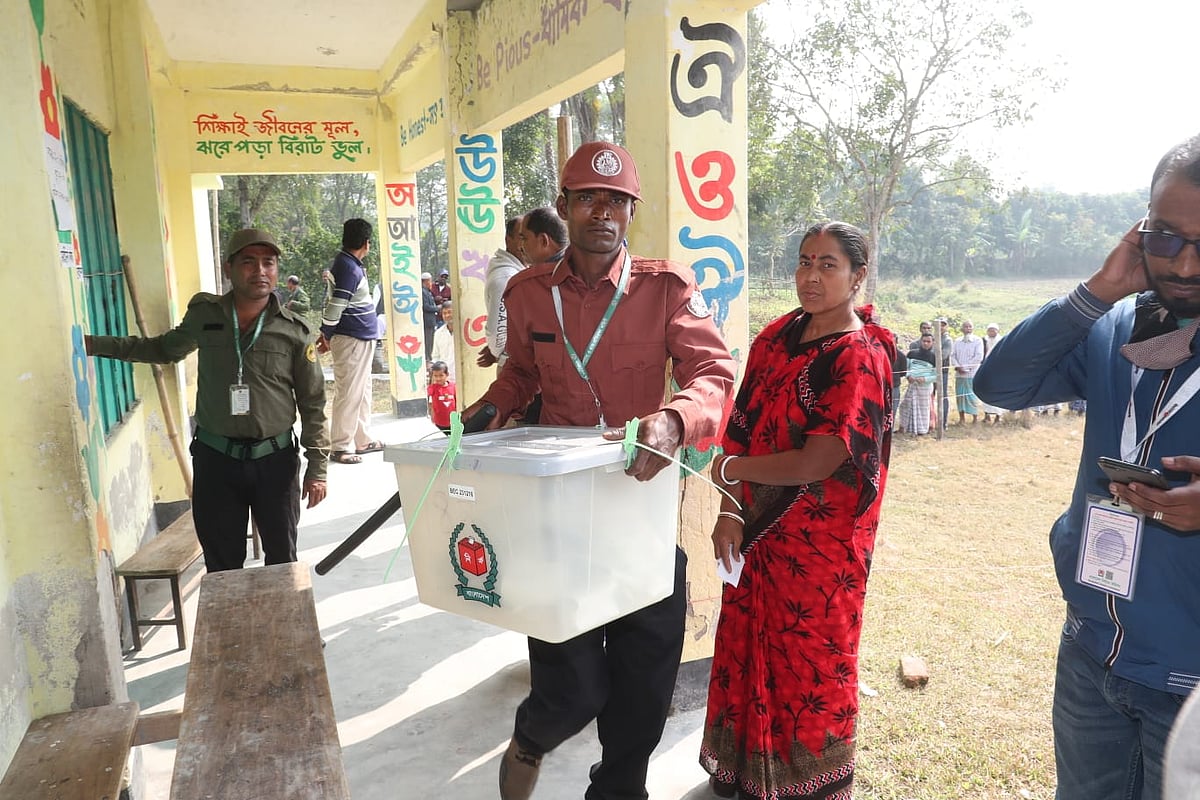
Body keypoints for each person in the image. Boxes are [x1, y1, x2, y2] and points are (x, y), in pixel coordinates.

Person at [462, 140, 735, 800]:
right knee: (573, 687)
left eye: (617, 201)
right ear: (565, 206)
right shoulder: (530, 294)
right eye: (589, 198)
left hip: (641, 519)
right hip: (561, 521)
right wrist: (493, 405)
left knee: (643, 696)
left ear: (631, 213)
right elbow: (521, 372)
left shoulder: (664, 290)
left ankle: (618, 790)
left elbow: (714, 374)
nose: (603, 212)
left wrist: (674, 419)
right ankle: (534, 734)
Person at [974, 134, 1200, 800]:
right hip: (1091, 655)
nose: (1185, 265)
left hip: (1190, 680)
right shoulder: (1115, 325)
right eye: (1167, 239)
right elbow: (1000, 386)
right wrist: (1098, 290)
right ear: (1140, 233)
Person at [699, 221, 895, 800]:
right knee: (744, 643)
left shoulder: (857, 356)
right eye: (805, 262)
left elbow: (820, 460)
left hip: (820, 550)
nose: (811, 276)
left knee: (810, 659)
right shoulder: (778, 336)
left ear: (858, 276)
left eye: (828, 265)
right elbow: (741, 427)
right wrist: (732, 510)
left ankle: (809, 783)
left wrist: (735, 473)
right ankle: (740, 771)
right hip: (755, 533)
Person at [85, 229, 329, 571]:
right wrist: (96, 345)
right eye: (248, 261)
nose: (260, 270)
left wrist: (317, 468)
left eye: (268, 262)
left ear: (276, 270)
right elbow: (161, 349)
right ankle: (232, 626)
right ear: (228, 269)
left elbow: (313, 403)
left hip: (275, 462)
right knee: (222, 563)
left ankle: (276, 625)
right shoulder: (206, 315)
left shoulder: (295, 330)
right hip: (217, 462)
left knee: (282, 561)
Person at [320, 218, 382, 465]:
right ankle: (341, 446)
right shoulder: (349, 268)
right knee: (350, 393)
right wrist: (326, 333)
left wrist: (327, 331)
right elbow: (336, 306)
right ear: (366, 243)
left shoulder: (348, 263)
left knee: (362, 391)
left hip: (360, 337)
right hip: (351, 339)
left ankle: (362, 440)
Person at [478, 216, 527, 369]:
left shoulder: (516, 271)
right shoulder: (506, 277)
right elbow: (496, 331)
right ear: (508, 240)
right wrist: (498, 352)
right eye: (521, 236)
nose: (526, 242)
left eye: (529, 236)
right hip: (513, 367)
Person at [899, 332, 938, 435]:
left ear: (932, 342)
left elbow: (937, 375)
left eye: (928, 341)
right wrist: (908, 376)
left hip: (924, 387)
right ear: (920, 341)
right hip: (912, 385)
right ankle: (904, 427)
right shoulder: (912, 353)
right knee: (905, 405)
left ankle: (921, 430)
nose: (926, 343)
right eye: (924, 341)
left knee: (923, 409)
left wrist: (925, 379)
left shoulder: (935, 357)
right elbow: (905, 368)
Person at [951, 319, 984, 424]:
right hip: (959, 375)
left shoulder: (978, 340)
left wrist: (965, 367)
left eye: (970, 326)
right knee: (960, 396)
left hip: (972, 374)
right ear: (962, 329)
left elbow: (978, 356)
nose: (968, 329)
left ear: (973, 328)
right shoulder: (957, 341)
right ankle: (962, 419)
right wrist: (958, 366)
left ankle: (975, 419)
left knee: (972, 395)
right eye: (966, 326)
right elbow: (953, 355)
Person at [979, 322, 1005, 424]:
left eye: (993, 330)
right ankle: (987, 415)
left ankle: (998, 417)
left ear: (997, 331)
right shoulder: (984, 340)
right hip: (986, 368)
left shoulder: (1002, 340)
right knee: (986, 391)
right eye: (989, 330)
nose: (991, 332)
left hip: (998, 370)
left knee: (997, 392)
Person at [426, 360, 456, 434]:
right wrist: (432, 415)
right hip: (439, 422)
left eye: (441, 375)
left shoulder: (453, 387)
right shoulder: (433, 388)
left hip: (453, 422)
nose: (438, 378)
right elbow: (430, 402)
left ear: (447, 374)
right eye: (435, 376)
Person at [430, 300, 456, 383]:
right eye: (444, 313)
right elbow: (435, 356)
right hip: (444, 380)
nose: (447, 315)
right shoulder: (438, 333)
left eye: (449, 312)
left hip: (459, 377)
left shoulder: (463, 332)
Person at [421, 271, 438, 360]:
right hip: (427, 321)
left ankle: (429, 357)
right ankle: (427, 358)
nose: (430, 283)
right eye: (429, 281)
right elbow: (426, 306)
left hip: (431, 321)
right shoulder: (423, 292)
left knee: (431, 341)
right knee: (428, 341)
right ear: (426, 281)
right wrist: (437, 308)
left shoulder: (428, 291)